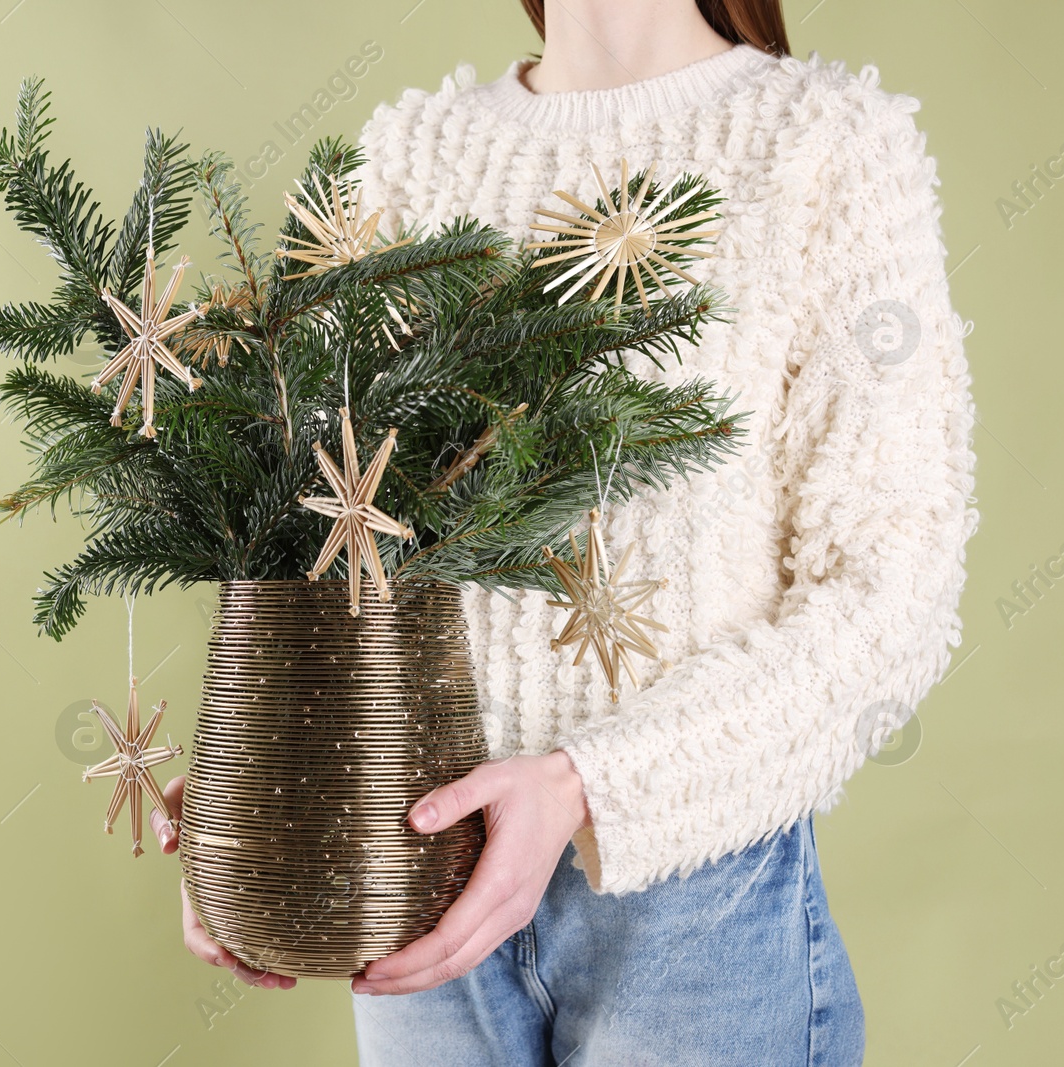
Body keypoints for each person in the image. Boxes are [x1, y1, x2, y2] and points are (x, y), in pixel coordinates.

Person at [151, 1, 979, 1062]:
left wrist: (590, 782)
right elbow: (316, 528)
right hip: (413, 874)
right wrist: (261, 777)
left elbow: (891, 590)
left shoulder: (825, 140)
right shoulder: (409, 154)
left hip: (695, 908)